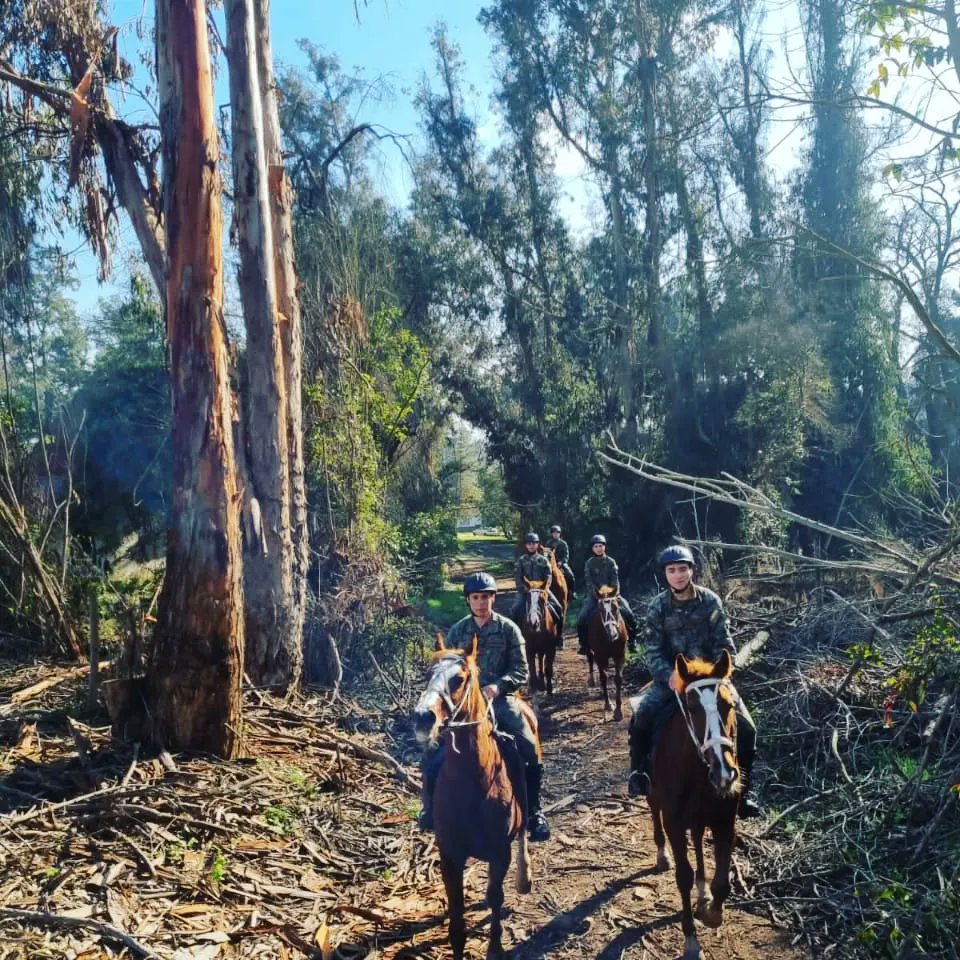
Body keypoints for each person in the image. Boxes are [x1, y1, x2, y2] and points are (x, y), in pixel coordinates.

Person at [626, 545, 761, 818]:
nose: (678, 575)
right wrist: (669, 675)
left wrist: (721, 673)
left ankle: (745, 792)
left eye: (682, 569)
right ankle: (639, 774)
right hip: (673, 680)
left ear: (691, 570)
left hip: (711, 681)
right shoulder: (657, 607)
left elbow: (725, 644)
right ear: (665, 574)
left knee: (747, 727)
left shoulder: (711, 601)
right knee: (642, 716)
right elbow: (652, 651)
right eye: (671, 570)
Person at [419, 570, 552, 841]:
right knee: (431, 750)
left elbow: (521, 670)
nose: (481, 603)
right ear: (468, 600)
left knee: (527, 746)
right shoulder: (458, 631)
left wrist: (498, 686)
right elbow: (446, 669)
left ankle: (534, 812)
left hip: (500, 699)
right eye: (476, 597)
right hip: (463, 703)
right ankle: (430, 809)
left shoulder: (508, 628)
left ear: (494, 598)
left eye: (486, 597)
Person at [576, 534, 639, 654]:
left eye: (601, 546)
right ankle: (584, 644)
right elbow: (589, 582)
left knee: (629, 614)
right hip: (595, 597)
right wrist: (597, 595)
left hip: (613, 596)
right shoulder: (589, 563)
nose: (599, 548)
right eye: (596, 546)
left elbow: (615, 580)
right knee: (581, 619)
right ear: (592, 548)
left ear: (604, 547)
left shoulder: (611, 562)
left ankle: (632, 642)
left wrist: (613, 593)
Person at [510, 532, 563, 643]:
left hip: (542, 591)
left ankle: (558, 636)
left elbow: (548, 577)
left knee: (558, 608)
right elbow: (518, 577)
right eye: (529, 544)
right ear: (526, 545)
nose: (531, 546)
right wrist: (524, 589)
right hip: (525, 591)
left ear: (537, 544)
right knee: (514, 610)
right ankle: (514, 637)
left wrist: (544, 589)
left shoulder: (544, 560)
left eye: (534, 543)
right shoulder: (521, 560)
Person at [545, 524, 576, 597]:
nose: (556, 534)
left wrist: (561, 562)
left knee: (570, 575)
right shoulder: (548, 543)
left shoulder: (563, 543)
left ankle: (572, 591)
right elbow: (546, 554)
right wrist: (548, 561)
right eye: (554, 532)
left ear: (559, 533)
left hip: (561, 563)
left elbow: (566, 555)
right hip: (551, 563)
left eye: (557, 532)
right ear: (552, 534)